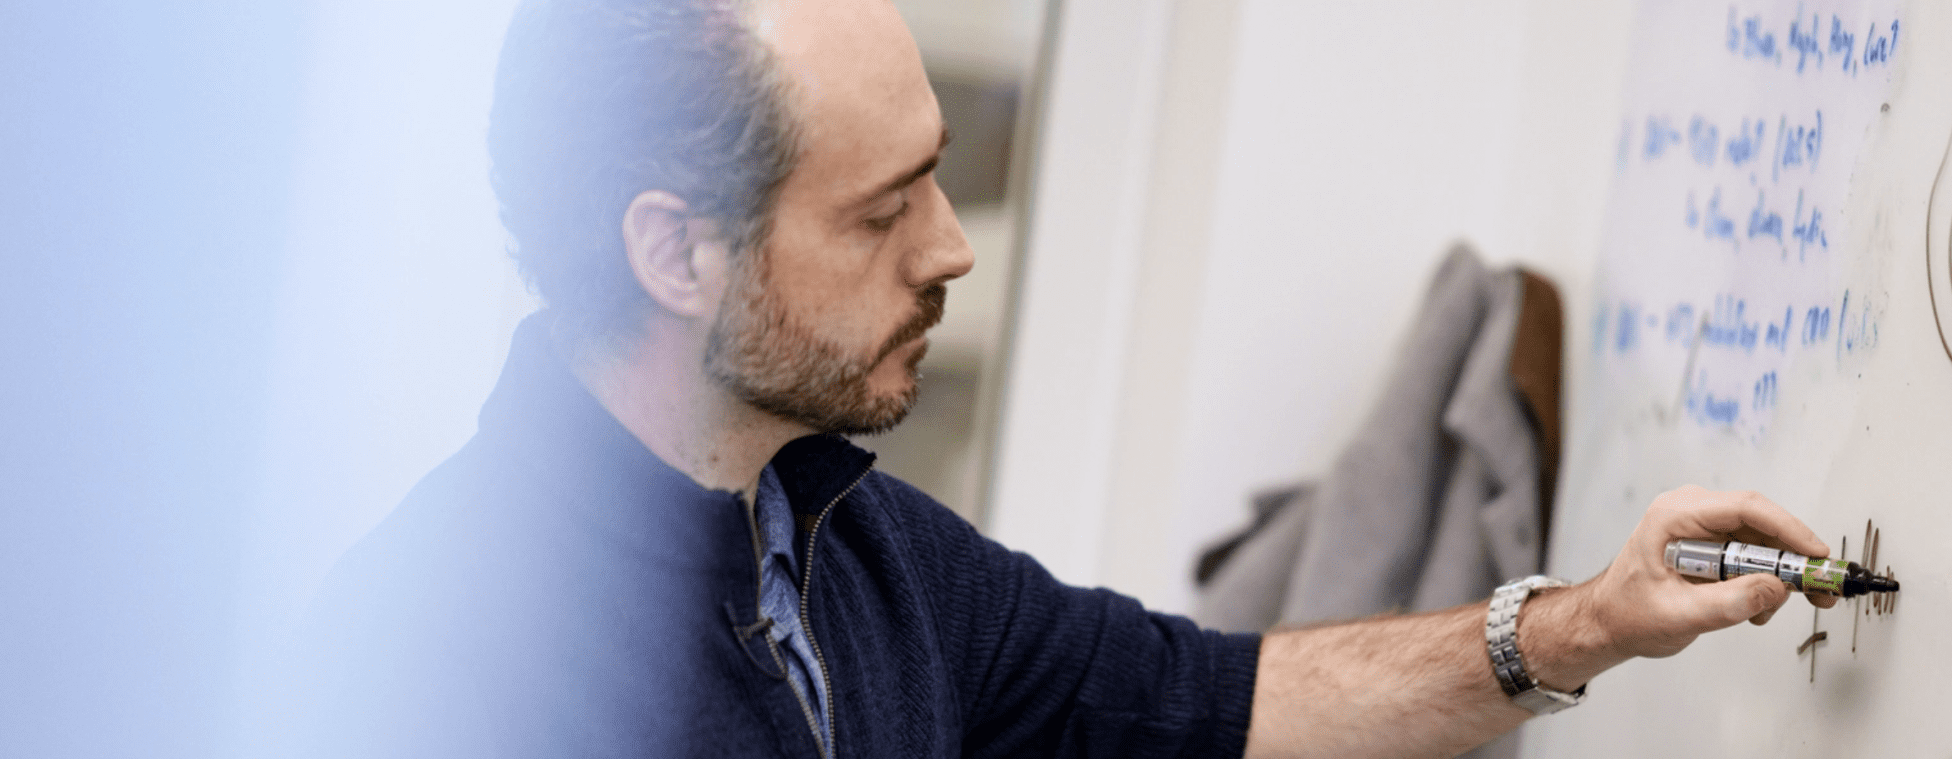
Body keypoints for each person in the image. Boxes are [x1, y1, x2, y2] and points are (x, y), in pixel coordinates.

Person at [295, 0, 1839, 757]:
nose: (951, 246)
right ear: (676, 251)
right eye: (881, 211)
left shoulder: (856, 555)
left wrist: (1583, 622)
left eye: (938, 175)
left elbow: (1208, 703)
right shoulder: (435, 665)